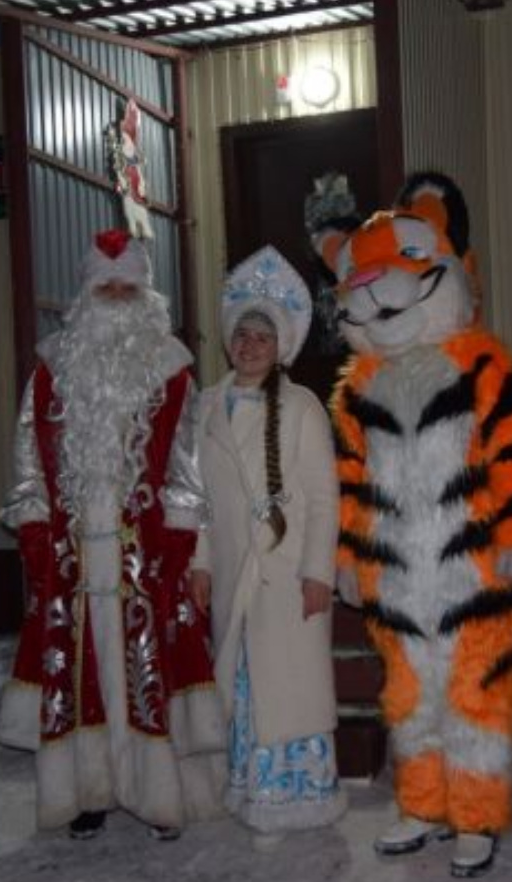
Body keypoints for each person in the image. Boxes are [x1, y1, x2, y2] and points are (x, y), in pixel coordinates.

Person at [312, 172, 512, 877]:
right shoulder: (356, 391)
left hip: (468, 572)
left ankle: (475, 815)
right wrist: (347, 558)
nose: (375, 283)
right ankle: (420, 805)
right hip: (395, 578)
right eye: (359, 273)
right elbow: (349, 482)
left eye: (405, 258)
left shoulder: (482, 363)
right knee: (408, 695)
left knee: (474, 691)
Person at [0, 228, 225, 841]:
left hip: (143, 555)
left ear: (147, 294)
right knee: (83, 673)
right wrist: (35, 533)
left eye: (129, 289)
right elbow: (28, 462)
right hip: (72, 555)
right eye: (107, 288)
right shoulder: (51, 372)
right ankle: (88, 791)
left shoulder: (173, 372)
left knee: (149, 668)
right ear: (86, 294)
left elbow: (187, 468)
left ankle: (159, 794)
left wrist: (179, 542)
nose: (118, 300)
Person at [189, 246, 345, 846]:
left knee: (289, 684)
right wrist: (201, 563)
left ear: (281, 346)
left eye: (263, 336)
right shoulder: (207, 407)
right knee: (242, 679)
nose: (250, 345)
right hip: (233, 571)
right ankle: (249, 787)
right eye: (242, 334)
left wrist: (318, 573)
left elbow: (324, 499)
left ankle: (297, 793)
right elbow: (198, 498)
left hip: (286, 574)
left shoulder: (302, 407)